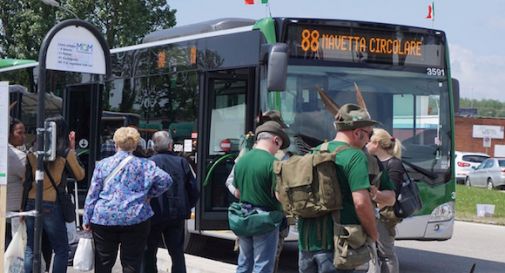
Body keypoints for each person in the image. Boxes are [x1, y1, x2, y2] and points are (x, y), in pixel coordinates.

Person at [297, 104, 385, 273]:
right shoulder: (355, 156)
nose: (368, 140)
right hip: (338, 246)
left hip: (307, 243)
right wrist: (374, 233)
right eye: (369, 134)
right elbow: (360, 202)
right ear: (358, 132)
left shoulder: (313, 152)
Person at [83, 127, 172, 273]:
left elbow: (93, 193)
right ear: (135, 145)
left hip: (104, 218)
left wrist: (87, 218)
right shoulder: (146, 165)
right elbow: (166, 180)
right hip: (135, 217)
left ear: (115, 144)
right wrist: (149, 194)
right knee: (131, 262)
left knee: (103, 262)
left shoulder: (103, 164)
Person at [23, 116, 85, 273]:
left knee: (31, 247)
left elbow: (26, 181)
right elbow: (80, 175)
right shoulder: (65, 152)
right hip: (52, 204)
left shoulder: (32, 150)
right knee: (61, 248)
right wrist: (73, 150)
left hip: (31, 200)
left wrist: (21, 208)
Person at [233, 121, 289, 273]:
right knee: (262, 265)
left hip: (244, 217)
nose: (278, 149)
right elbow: (279, 196)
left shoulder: (241, 161)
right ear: (276, 140)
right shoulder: (274, 163)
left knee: (244, 263)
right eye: (279, 145)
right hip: (266, 220)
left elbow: (237, 192)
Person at [142, 131, 197, 273]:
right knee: (177, 252)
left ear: (153, 146)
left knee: (149, 251)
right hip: (176, 214)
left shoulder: (149, 163)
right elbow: (194, 189)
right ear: (171, 145)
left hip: (153, 214)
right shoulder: (182, 162)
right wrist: (186, 206)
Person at [366, 128, 405, 273]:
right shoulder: (374, 161)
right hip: (375, 212)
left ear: (376, 144)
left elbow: (392, 193)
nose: (366, 144)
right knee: (372, 254)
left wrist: (374, 194)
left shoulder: (394, 164)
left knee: (386, 254)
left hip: (384, 215)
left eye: (369, 141)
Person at [6, 118, 26, 248]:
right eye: (19, 133)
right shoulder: (17, 156)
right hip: (15, 210)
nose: (23, 136)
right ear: (9, 134)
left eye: (25, 132)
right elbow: (30, 178)